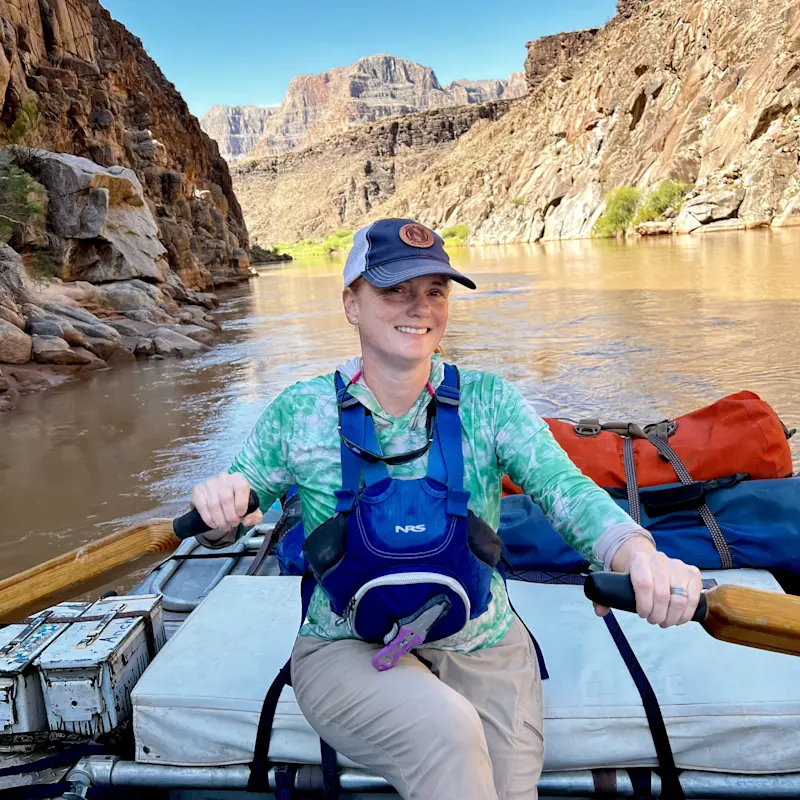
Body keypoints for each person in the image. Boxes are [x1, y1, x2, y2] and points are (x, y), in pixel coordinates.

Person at [189, 218, 703, 800]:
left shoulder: (489, 401)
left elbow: (566, 489)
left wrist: (637, 553)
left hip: (481, 642)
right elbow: (233, 506)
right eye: (394, 290)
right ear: (351, 304)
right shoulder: (299, 412)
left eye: (435, 290)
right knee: (448, 731)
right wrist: (218, 511)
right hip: (344, 647)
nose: (420, 307)